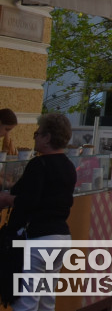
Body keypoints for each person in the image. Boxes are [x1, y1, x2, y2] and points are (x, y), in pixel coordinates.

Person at [0, 113, 76, 311]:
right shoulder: (69, 166)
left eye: (37, 133)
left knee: (27, 300)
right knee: (46, 300)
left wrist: (7, 199)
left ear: (48, 137)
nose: (34, 137)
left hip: (38, 239)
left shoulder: (39, 164)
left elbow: (28, 201)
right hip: (61, 237)